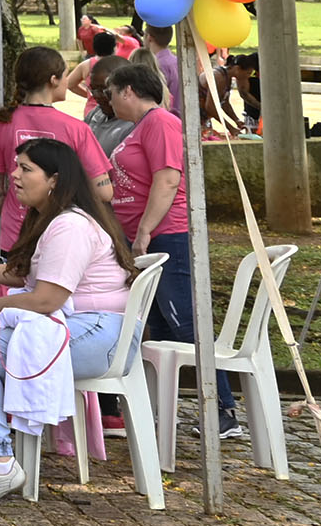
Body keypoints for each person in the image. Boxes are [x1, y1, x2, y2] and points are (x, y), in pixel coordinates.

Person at [0, 137, 136, 506]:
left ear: (54, 179)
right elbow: (21, 273)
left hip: (101, 334)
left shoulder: (70, 226)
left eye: (25, 169)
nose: (14, 176)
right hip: (82, 327)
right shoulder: (53, 219)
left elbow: (47, 299)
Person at [98, 56, 239, 440]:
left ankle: (224, 408)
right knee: (158, 327)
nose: (107, 100)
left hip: (167, 236)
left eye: (111, 93)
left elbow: (167, 180)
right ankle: (163, 409)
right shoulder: (138, 126)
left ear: (129, 90)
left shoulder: (160, 121)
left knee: (184, 323)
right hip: (146, 237)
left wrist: (144, 231)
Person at [0, 46, 113, 251]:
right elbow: (103, 191)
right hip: (63, 237)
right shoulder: (75, 128)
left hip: (15, 234)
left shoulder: (0, 123)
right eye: (66, 76)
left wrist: (11, 215)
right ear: (53, 80)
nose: (67, 82)